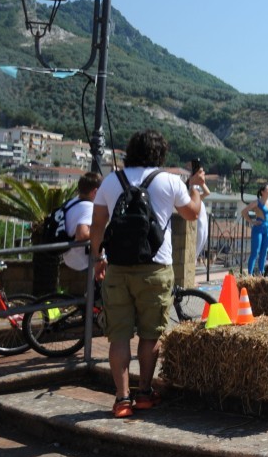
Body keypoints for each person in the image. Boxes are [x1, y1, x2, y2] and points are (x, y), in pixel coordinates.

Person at [89, 130, 204, 419]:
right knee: (151, 335)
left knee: (118, 336)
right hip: (155, 268)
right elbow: (192, 214)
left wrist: (98, 258)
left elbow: (97, 223)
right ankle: (144, 393)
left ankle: (121, 399)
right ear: (160, 153)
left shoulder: (111, 181)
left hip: (117, 268)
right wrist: (195, 187)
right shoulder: (169, 181)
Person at [60, 171, 107, 281]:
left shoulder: (71, 202)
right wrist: (102, 232)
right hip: (82, 261)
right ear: (95, 192)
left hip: (68, 257)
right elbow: (81, 234)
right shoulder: (89, 207)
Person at [245, 183, 268, 276]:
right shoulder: (257, 202)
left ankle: (261, 273)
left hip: (267, 228)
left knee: (264, 251)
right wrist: (251, 221)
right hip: (258, 228)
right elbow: (244, 211)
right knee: (255, 251)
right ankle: (250, 273)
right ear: (262, 192)